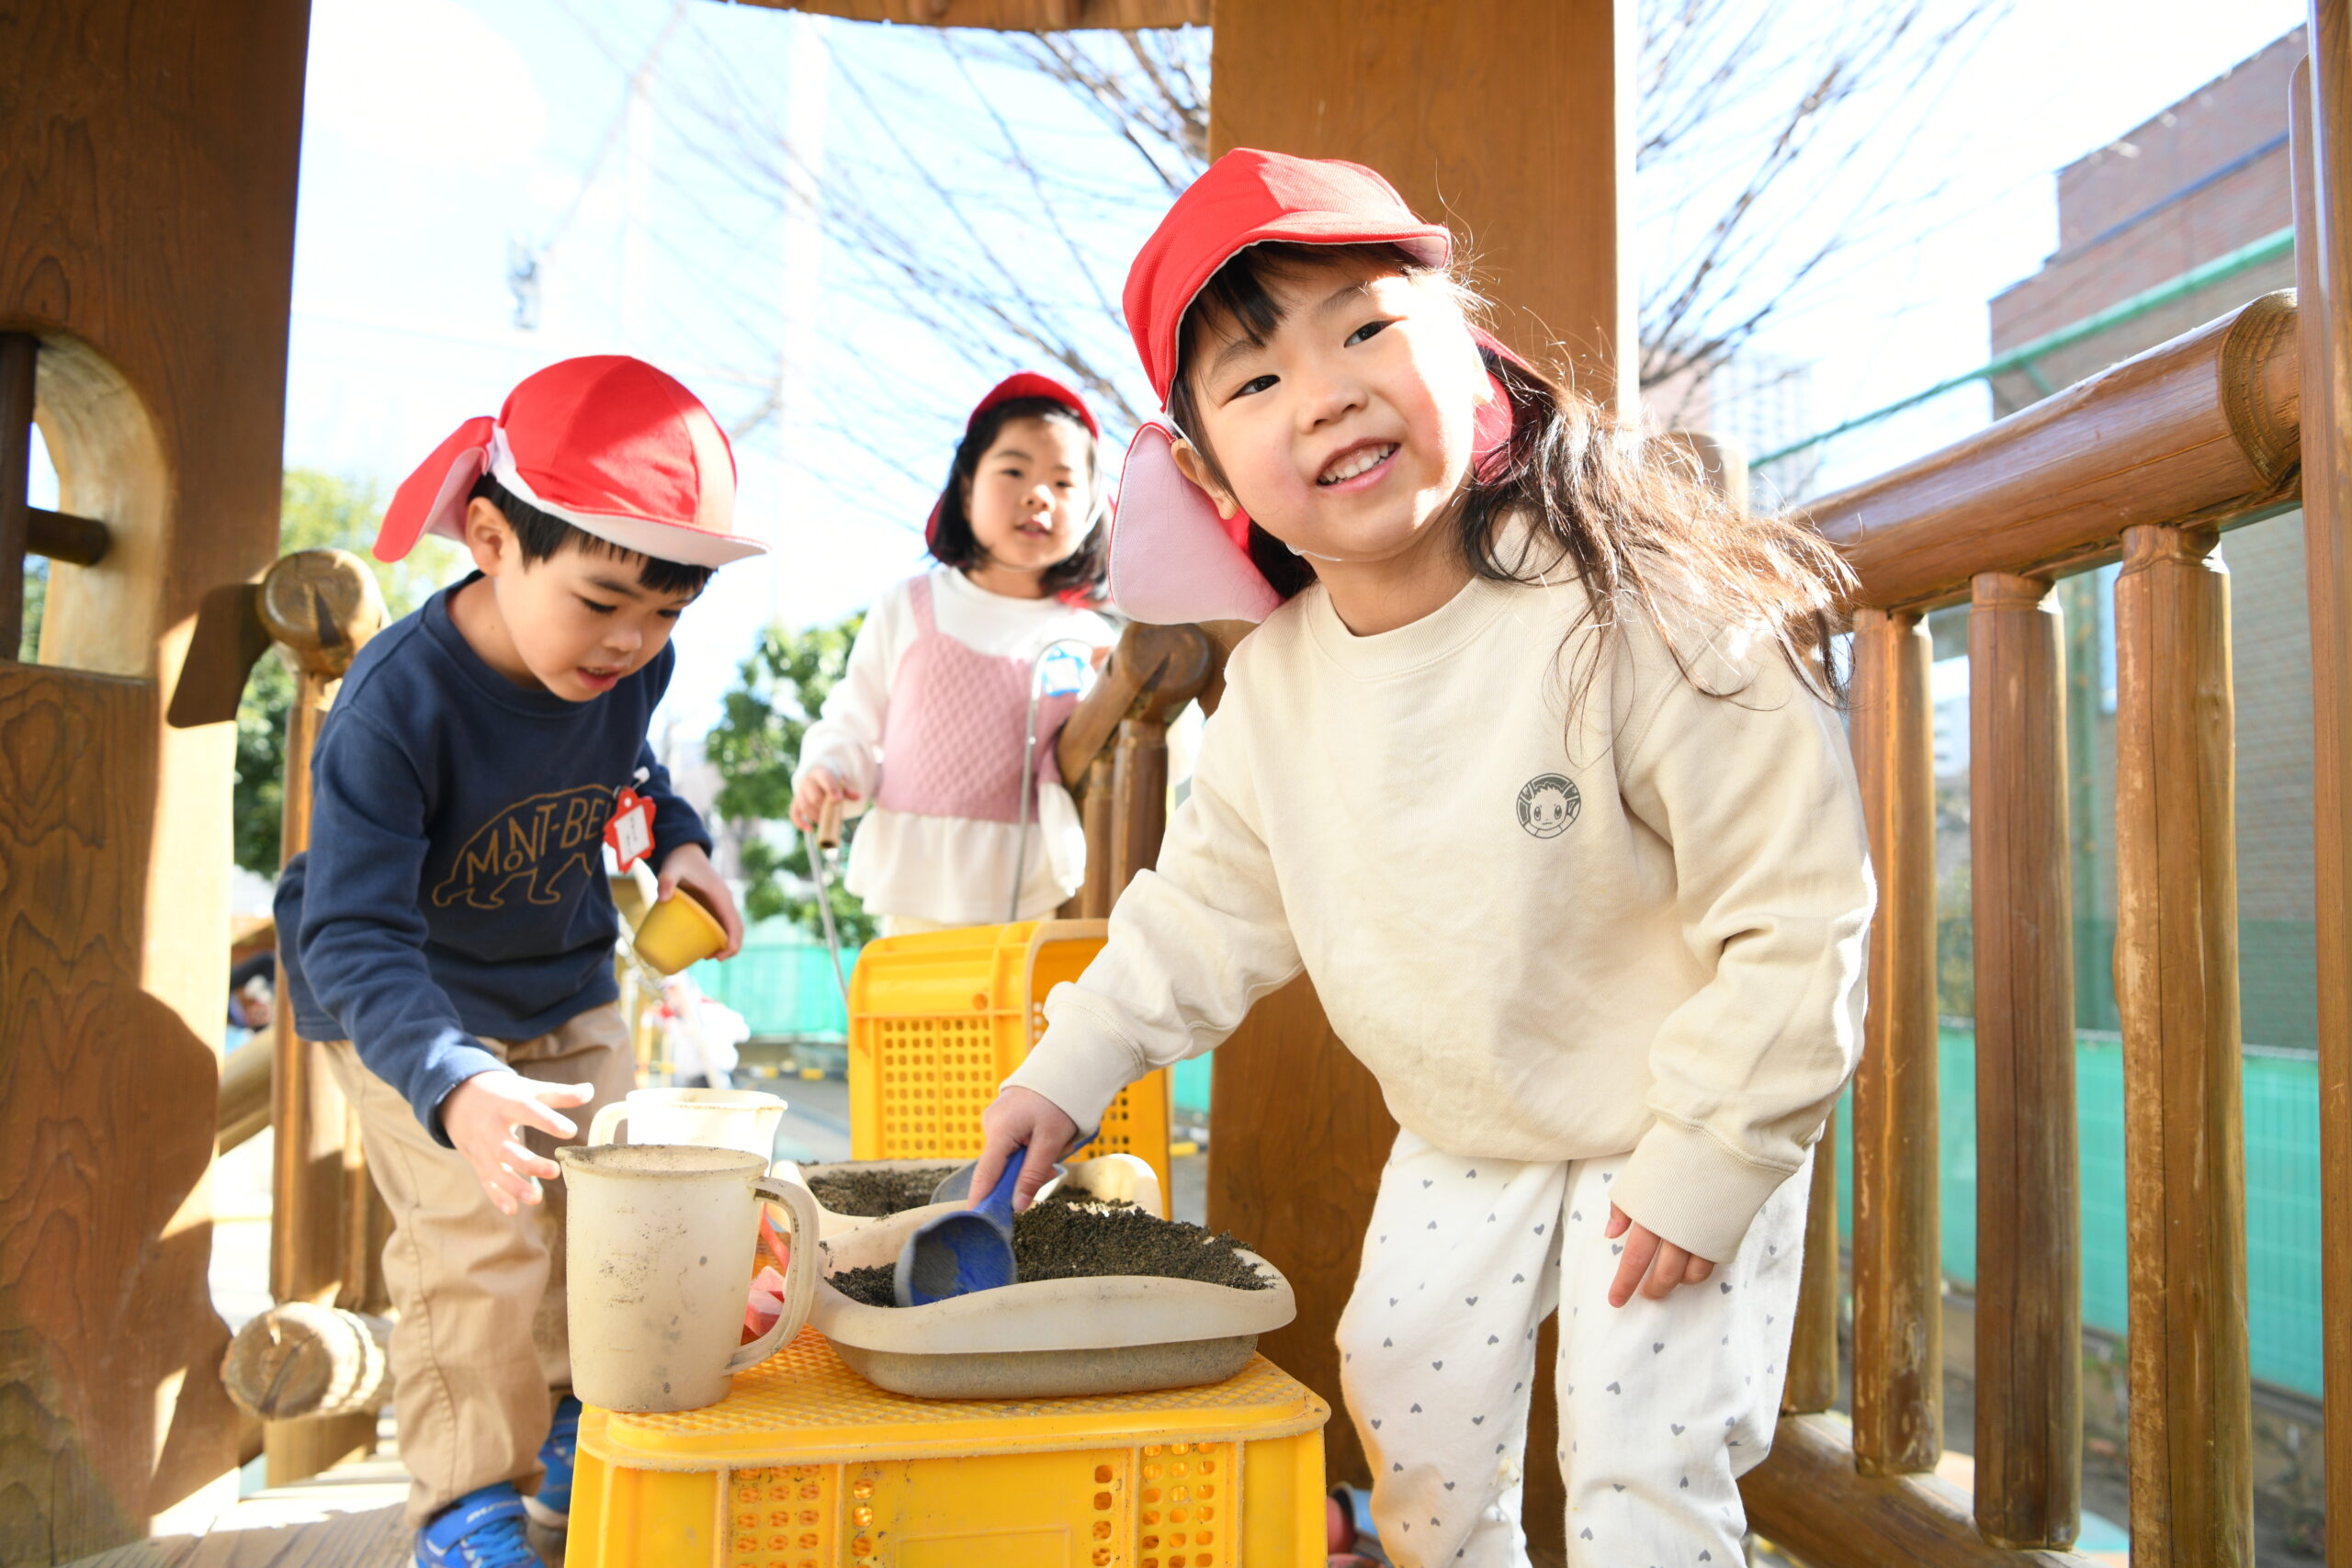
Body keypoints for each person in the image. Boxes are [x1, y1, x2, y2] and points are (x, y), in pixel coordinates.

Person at [969, 151, 1872, 1567]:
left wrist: (1715, 1154)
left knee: (1646, 1468)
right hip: (1465, 1128)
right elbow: (1204, 909)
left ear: (1468, 348)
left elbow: (1797, 906)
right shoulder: (1276, 688)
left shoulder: (1635, 603)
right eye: (1256, 379)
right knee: (1411, 1430)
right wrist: (1067, 1068)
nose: (1325, 392)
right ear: (1207, 471)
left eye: (1367, 327)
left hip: (1676, 1111)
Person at [274, 355, 756, 1568]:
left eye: (667, 612)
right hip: (410, 1006)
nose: (632, 640)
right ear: (492, 540)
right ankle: (463, 1504)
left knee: (603, 1221)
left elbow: (628, 775)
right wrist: (452, 1078)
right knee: (479, 1245)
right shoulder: (395, 706)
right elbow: (352, 930)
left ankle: (569, 1438)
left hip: (563, 978)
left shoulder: (628, 666)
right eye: (602, 601)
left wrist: (683, 848)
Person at [786, 373, 1116, 935]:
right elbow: (854, 720)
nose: (1038, 495)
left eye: (1063, 482)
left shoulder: (1090, 638)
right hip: (917, 877)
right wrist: (830, 770)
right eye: (1014, 471)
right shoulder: (910, 605)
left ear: (1091, 510)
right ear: (966, 490)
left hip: (1036, 887)